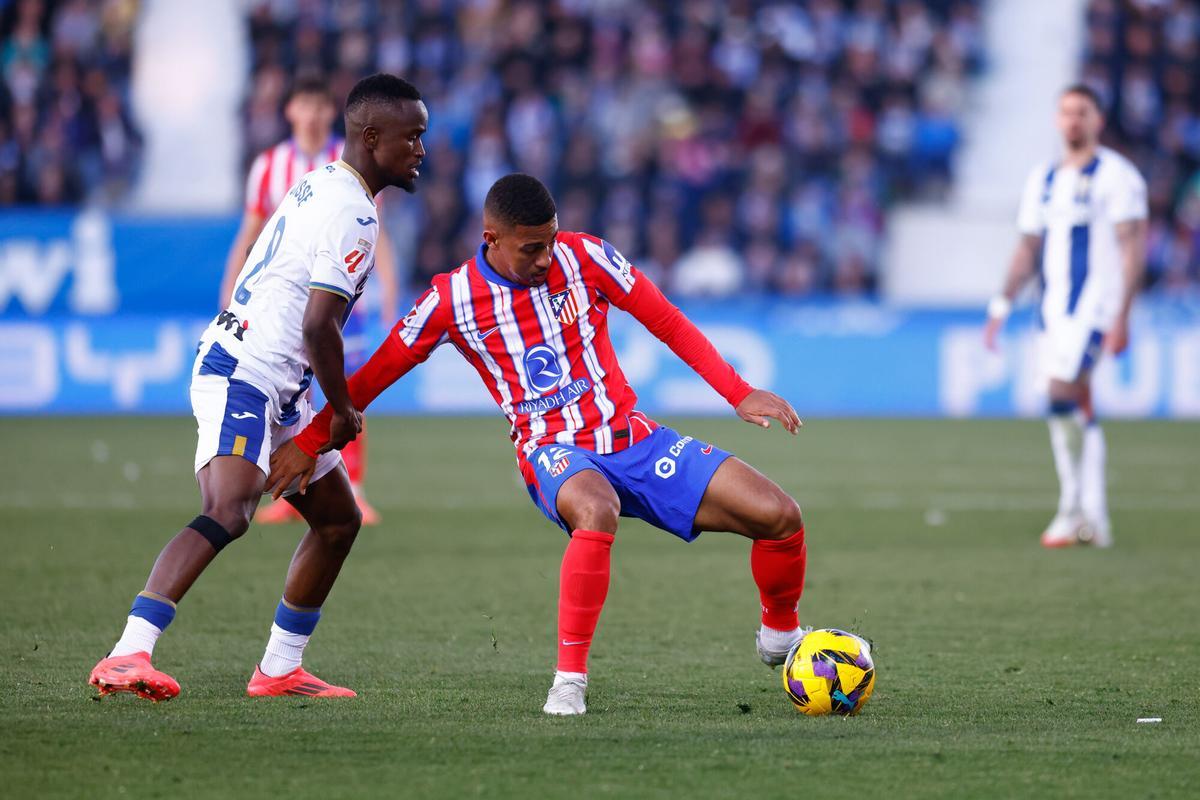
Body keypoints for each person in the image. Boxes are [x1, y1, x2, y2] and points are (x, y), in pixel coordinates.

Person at [268, 173, 808, 716]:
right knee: (597, 510)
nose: (547, 257)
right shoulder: (450, 299)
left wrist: (737, 392)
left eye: (551, 240)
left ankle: (780, 637)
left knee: (780, 515)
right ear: (492, 239)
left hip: (634, 440)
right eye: (532, 248)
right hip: (552, 450)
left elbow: (664, 319)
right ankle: (568, 681)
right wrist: (310, 441)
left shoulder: (587, 256)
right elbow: (372, 375)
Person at [88, 74, 427, 700]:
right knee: (230, 507)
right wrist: (345, 411)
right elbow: (320, 324)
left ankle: (278, 668)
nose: (421, 149)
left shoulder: (325, 181)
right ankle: (128, 652)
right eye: (412, 136)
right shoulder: (353, 211)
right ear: (372, 137)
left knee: (338, 520)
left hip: (280, 385)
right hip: (243, 371)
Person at [220, 75, 397, 526]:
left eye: (322, 106)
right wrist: (230, 295)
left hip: (338, 295)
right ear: (291, 111)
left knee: (347, 385)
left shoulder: (353, 157)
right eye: (306, 105)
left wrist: (389, 293)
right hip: (283, 300)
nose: (314, 115)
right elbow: (252, 232)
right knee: (289, 392)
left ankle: (353, 488)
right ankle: (290, 492)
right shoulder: (270, 166)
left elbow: (378, 232)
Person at [985, 84, 1147, 548]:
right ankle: (1092, 518)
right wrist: (1001, 305)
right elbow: (1026, 246)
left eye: (1083, 112)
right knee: (1073, 404)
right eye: (1066, 113)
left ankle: (1073, 509)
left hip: (1096, 308)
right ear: (1058, 121)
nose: (1074, 120)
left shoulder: (1118, 176)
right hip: (1051, 313)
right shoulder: (1044, 178)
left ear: (1098, 119)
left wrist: (1122, 316)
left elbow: (1131, 248)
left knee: (1061, 395)